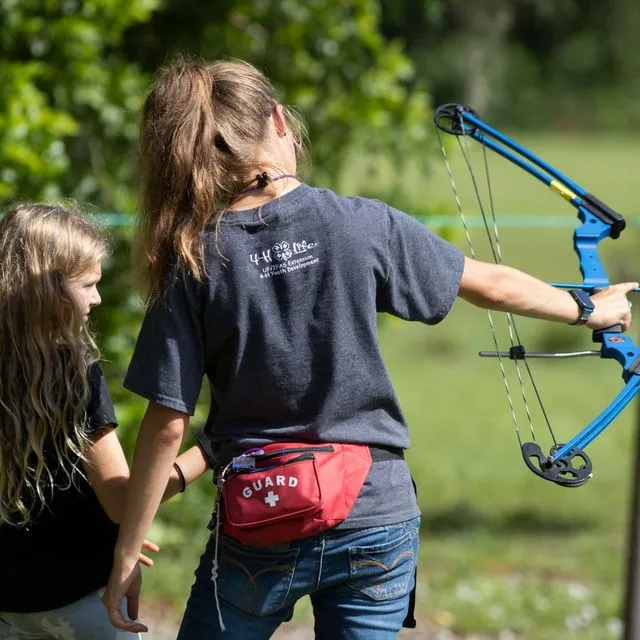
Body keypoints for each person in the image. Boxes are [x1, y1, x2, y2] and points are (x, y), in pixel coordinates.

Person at [102, 57, 637, 639]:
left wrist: (127, 551)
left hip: (263, 516)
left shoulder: (191, 258)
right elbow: (490, 284)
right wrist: (591, 308)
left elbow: (165, 423)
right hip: (373, 513)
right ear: (280, 122)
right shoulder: (360, 222)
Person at [0, 203, 209, 640]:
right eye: (89, 285)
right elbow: (121, 500)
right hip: (82, 600)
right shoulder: (75, 377)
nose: (97, 297)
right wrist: (208, 451)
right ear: (50, 291)